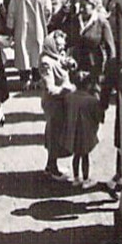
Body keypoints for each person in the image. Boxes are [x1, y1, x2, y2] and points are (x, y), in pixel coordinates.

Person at [8, 0, 52, 87]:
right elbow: (48, 9)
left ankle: (24, 79)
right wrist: (45, 22)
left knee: (23, 50)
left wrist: (10, 27)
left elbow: (11, 11)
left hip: (22, 26)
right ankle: (36, 79)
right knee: (37, 49)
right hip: (38, 26)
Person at [39, 29, 75, 179]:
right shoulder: (46, 62)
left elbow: (63, 65)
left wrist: (70, 64)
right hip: (54, 103)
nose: (62, 49)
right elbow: (50, 88)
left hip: (63, 101)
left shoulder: (57, 56)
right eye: (59, 46)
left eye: (62, 46)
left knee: (57, 133)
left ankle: (50, 165)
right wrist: (65, 89)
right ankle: (52, 168)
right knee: (54, 134)